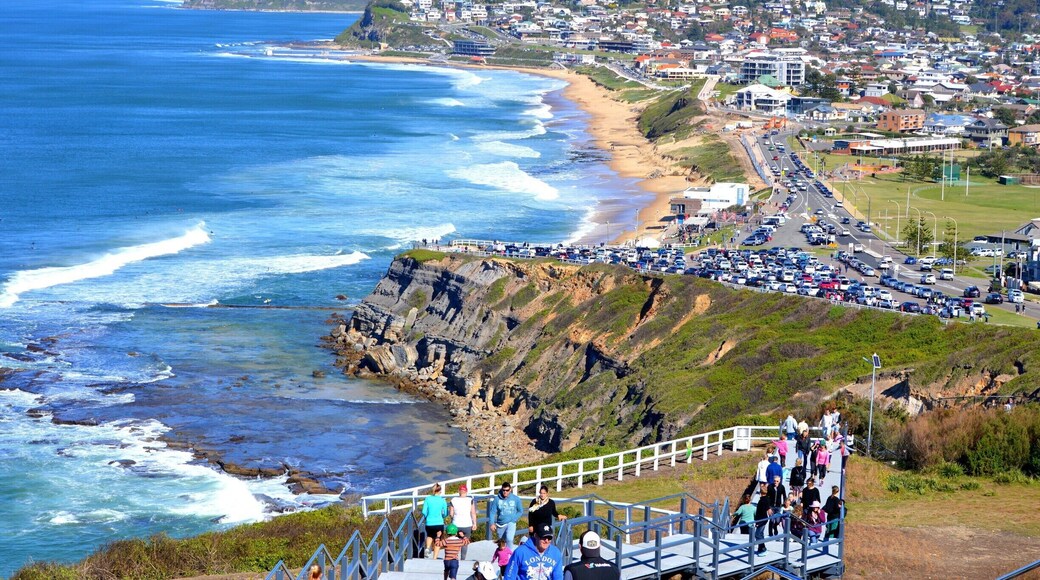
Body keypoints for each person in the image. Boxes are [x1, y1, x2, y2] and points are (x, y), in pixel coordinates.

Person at [489, 483, 524, 551]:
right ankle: (502, 558)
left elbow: (520, 511)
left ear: (510, 490)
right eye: (503, 490)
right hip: (500, 523)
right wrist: (492, 523)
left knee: (509, 539)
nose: (505, 492)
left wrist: (514, 518)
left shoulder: (516, 499)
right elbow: (492, 512)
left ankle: (510, 557)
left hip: (511, 522)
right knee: (502, 543)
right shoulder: (497, 499)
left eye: (507, 490)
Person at [450, 485, 477, 558]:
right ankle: (463, 558)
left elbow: (451, 514)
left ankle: (454, 557)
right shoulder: (470, 500)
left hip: (456, 524)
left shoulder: (453, 500)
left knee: (455, 542)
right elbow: (473, 512)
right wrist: (474, 523)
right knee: (465, 542)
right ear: (466, 492)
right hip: (467, 524)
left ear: (459, 491)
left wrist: (453, 519)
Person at [423, 483, 448, 559]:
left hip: (429, 522)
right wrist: (443, 516)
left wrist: (427, 517)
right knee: (438, 540)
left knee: (429, 535)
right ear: (440, 491)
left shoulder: (428, 499)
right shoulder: (442, 500)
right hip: (439, 522)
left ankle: (427, 548)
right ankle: (434, 558)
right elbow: (445, 512)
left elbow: (424, 511)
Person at [753, 482, 772, 555]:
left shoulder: (762, 501)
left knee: (757, 534)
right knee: (760, 534)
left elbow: (760, 512)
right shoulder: (767, 499)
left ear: (760, 492)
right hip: (764, 519)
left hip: (761, 520)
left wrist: (757, 522)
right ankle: (760, 548)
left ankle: (763, 548)